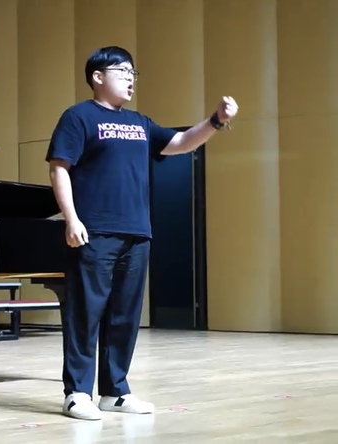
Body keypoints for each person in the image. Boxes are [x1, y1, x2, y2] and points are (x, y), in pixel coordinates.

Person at [45, 46, 238, 421]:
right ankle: (77, 393)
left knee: (125, 315)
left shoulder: (140, 123)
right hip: (94, 230)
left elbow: (181, 142)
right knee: (85, 313)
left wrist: (215, 121)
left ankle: (115, 391)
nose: (131, 78)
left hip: (137, 231)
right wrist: (71, 219)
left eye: (133, 73)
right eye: (122, 71)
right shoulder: (78, 116)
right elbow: (59, 167)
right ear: (98, 76)